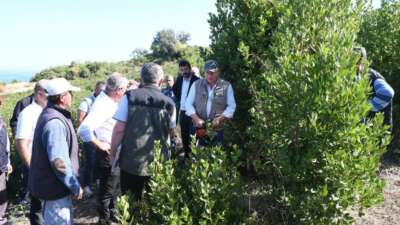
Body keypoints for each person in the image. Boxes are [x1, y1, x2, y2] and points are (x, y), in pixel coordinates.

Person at [111, 62, 176, 200]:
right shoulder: (169, 103)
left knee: (131, 204)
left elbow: (119, 130)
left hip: (131, 162)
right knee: (156, 204)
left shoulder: (129, 97)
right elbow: (171, 132)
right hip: (158, 163)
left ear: (142, 79)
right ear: (160, 80)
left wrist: (112, 154)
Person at [29, 78, 83, 225]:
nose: (72, 96)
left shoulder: (50, 113)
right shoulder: (55, 122)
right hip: (54, 191)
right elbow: (59, 163)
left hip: (51, 188)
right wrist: (74, 186)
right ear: (63, 97)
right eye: (70, 93)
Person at [78, 73, 128, 225]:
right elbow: (83, 129)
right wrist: (100, 144)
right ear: (118, 89)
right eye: (124, 89)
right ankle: (105, 221)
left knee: (110, 189)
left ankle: (112, 217)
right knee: (106, 192)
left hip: (111, 151)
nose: (125, 92)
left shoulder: (107, 100)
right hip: (108, 153)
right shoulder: (103, 105)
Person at [15, 80, 48, 225]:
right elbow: (21, 143)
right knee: (38, 206)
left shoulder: (45, 110)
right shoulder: (28, 113)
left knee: (46, 204)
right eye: (50, 93)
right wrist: (32, 167)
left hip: (46, 167)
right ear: (40, 94)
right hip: (36, 167)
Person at [185, 59, 236, 146]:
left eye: (212, 72)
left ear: (218, 72)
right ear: (204, 72)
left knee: (217, 156)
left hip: (218, 129)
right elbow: (188, 104)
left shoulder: (226, 86)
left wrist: (219, 119)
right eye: (207, 72)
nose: (209, 75)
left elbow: (232, 107)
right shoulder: (196, 84)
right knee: (198, 155)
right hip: (199, 128)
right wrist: (196, 119)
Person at [77, 81, 105, 198]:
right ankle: (87, 186)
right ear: (96, 89)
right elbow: (80, 120)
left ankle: (97, 182)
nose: (102, 94)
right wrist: (89, 135)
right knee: (90, 162)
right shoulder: (86, 102)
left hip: (101, 137)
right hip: (90, 138)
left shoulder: (104, 101)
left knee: (99, 160)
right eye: (101, 91)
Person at [356, 47, 394, 129]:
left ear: (363, 62)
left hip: (376, 133)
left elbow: (387, 93)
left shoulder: (370, 76)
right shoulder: (355, 76)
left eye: (358, 62)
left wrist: (365, 107)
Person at [172, 60, 199, 155]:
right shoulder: (179, 79)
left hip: (193, 112)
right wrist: (181, 99)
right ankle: (187, 155)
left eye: (186, 69)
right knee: (184, 134)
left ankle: (195, 156)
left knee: (194, 135)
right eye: (182, 70)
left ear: (190, 69)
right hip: (183, 111)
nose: (184, 72)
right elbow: (174, 89)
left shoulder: (197, 80)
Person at [0, 96, 13, 225]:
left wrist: (8, 161)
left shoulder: (1, 121)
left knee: (2, 194)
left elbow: (6, 142)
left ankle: (1, 218)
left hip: (1, 165)